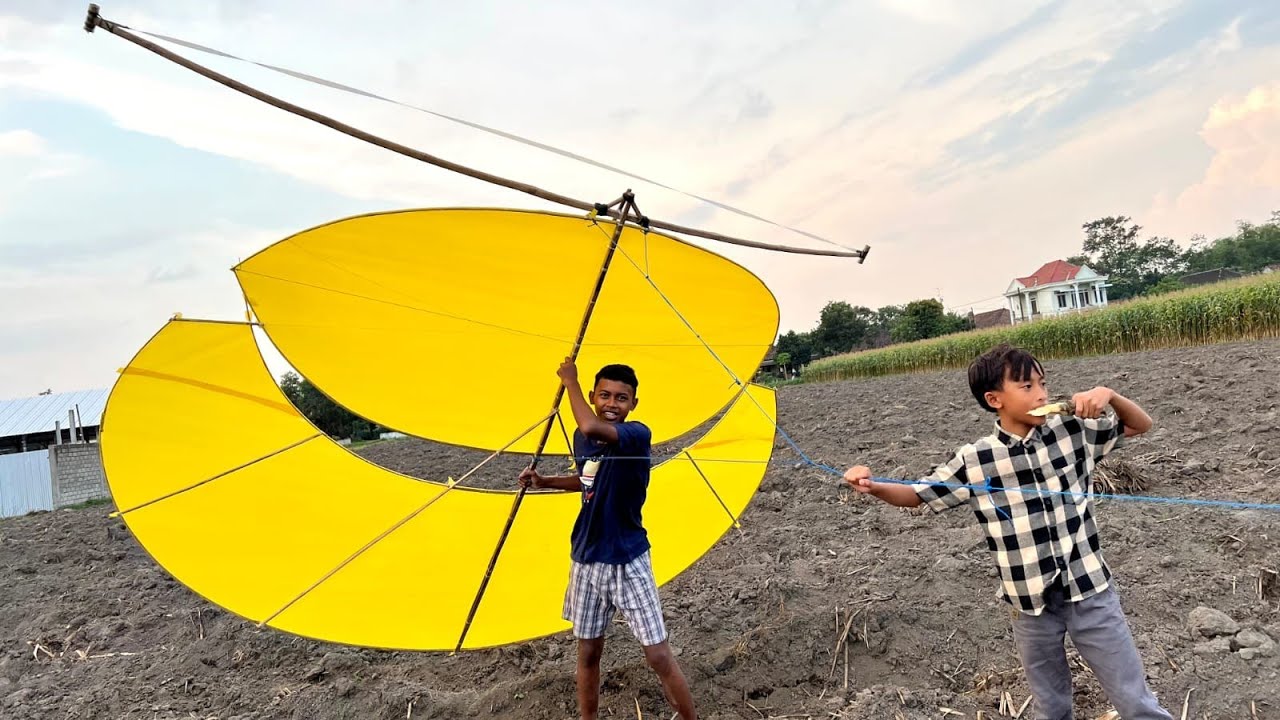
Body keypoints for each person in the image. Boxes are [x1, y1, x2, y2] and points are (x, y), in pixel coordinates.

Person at [842, 343, 1171, 719]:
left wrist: (1109, 395)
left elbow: (1139, 425)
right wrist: (872, 485)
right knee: (1051, 706)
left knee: (1134, 700)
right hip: (1029, 605)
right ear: (994, 398)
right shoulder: (975, 459)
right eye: (1027, 386)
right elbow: (918, 495)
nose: (1042, 394)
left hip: (1090, 591)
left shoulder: (1072, 432)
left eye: (1043, 384)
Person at [519, 358, 697, 720]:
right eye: (604, 395)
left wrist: (569, 380)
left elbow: (589, 423)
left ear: (633, 404)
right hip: (586, 558)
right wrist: (545, 481)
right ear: (593, 396)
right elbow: (588, 479)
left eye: (621, 397)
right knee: (588, 652)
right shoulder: (582, 439)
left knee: (658, 656)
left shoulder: (636, 434)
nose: (612, 404)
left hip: (628, 559)